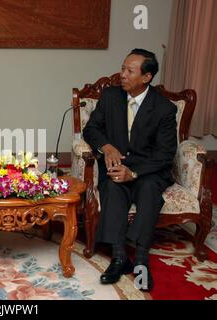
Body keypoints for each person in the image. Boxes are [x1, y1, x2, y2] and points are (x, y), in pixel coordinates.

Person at [83, 48, 177, 292]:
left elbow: (165, 154)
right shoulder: (110, 97)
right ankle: (119, 257)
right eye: (122, 68)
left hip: (149, 170)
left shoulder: (164, 108)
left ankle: (142, 261)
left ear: (146, 78)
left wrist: (134, 173)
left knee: (148, 191)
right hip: (116, 164)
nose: (121, 74)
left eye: (129, 71)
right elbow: (90, 129)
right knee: (113, 186)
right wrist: (107, 147)